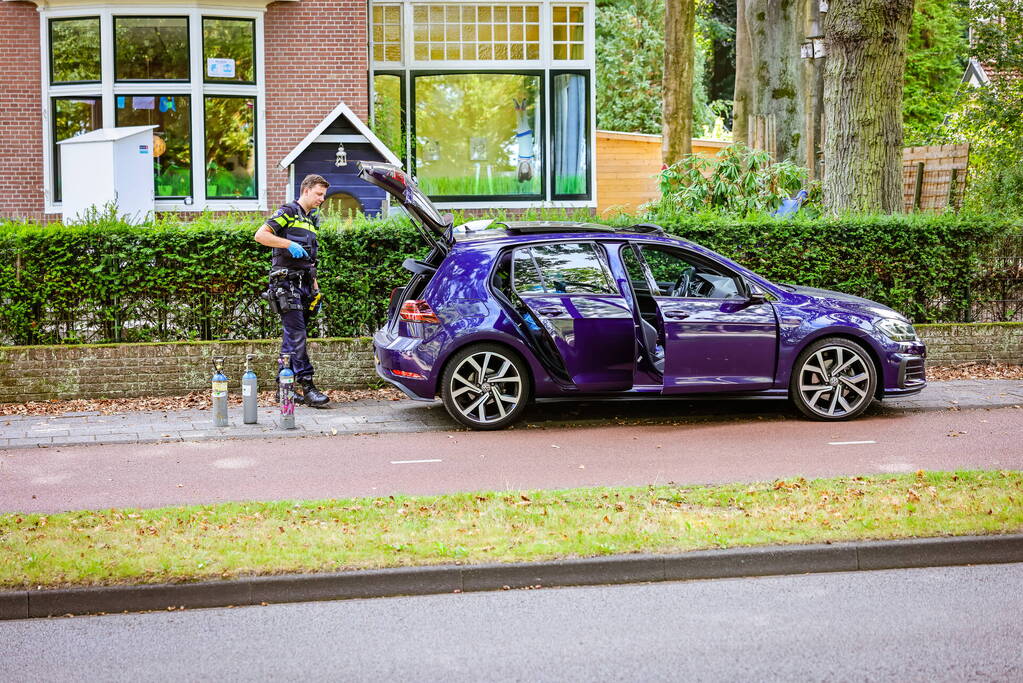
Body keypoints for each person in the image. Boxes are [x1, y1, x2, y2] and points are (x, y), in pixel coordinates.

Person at [254, 174, 330, 408]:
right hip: (285, 285)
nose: (322, 199)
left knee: (292, 338)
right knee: (297, 335)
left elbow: (311, 260)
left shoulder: (311, 220)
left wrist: (315, 289)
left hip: (305, 285)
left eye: (324, 195)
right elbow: (260, 235)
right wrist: (288, 243)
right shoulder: (288, 211)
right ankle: (307, 386)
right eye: (318, 194)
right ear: (306, 190)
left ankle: (283, 389)